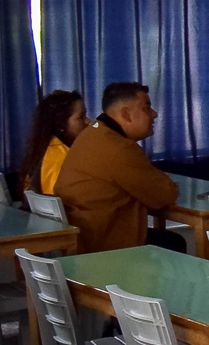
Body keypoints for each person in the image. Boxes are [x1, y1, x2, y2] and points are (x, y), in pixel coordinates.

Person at [54, 82, 182, 253]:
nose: (154, 114)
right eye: (146, 108)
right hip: (105, 245)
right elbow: (164, 196)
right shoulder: (119, 148)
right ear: (126, 114)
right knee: (174, 243)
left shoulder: (93, 132)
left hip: (84, 236)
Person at [18, 89, 86, 196]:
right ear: (61, 124)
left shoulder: (44, 148)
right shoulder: (59, 158)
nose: (88, 121)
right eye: (81, 117)